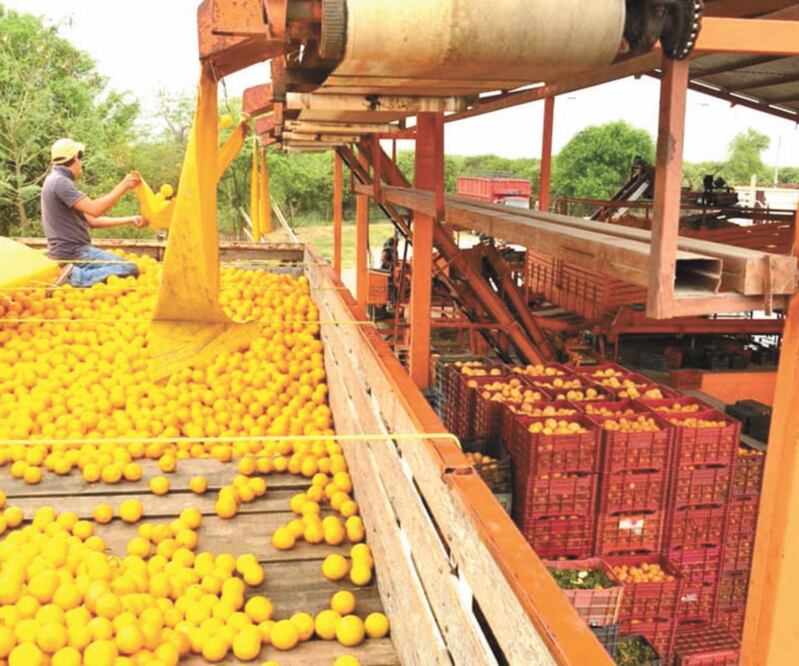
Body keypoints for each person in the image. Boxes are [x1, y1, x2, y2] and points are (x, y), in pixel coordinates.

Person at [41, 138, 148, 287]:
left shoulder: (56, 180)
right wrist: (123, 186)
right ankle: (75, 277)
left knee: (123, 266)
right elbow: (95, 209)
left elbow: (92, 220)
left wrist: (130, 219)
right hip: (73, 252)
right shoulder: (60, 182)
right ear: (76, 158)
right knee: (128, 267)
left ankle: (75, 272)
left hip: (71, 251)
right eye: (81, 158)